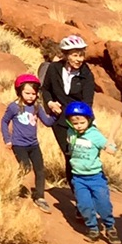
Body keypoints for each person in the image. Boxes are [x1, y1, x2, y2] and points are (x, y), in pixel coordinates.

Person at [39, 36, 96, 179]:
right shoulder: (54, 69)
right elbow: (45, 89)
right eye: (75, 55)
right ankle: (76, 188)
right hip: (59, 120)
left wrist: (83, 123)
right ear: (66, 55)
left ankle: (85, 186)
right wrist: (50, 103)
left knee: (81, 154)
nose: (79, 59)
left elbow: (87, 102)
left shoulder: (86, 74)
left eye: (81, 55)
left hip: (80, 121)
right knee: (69, 154)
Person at [63, 103, 120, 244]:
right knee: (84, 204)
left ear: (89, 120)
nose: (79, 126)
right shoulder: (71, 133)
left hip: (95, 177)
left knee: (103, 204)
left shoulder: (95, 135)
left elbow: (107, 145)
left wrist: (110, 147)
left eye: (82, 122)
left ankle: (110, 227)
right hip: (78, 177)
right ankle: (92, 228)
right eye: (74, 123)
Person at [0, 75, 51, 209]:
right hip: (19, 144)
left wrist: (57, 115)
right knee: (25, 167)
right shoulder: (14, 107)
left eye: (33, 93)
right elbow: (4, 121)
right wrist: (7, 139)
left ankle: (40, 197)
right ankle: (10, 185)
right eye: (27, 93)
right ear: (19, 92)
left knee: (40, 170)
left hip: (34, 145)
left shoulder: (36, 107)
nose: (30, 96)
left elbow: (47, 122)